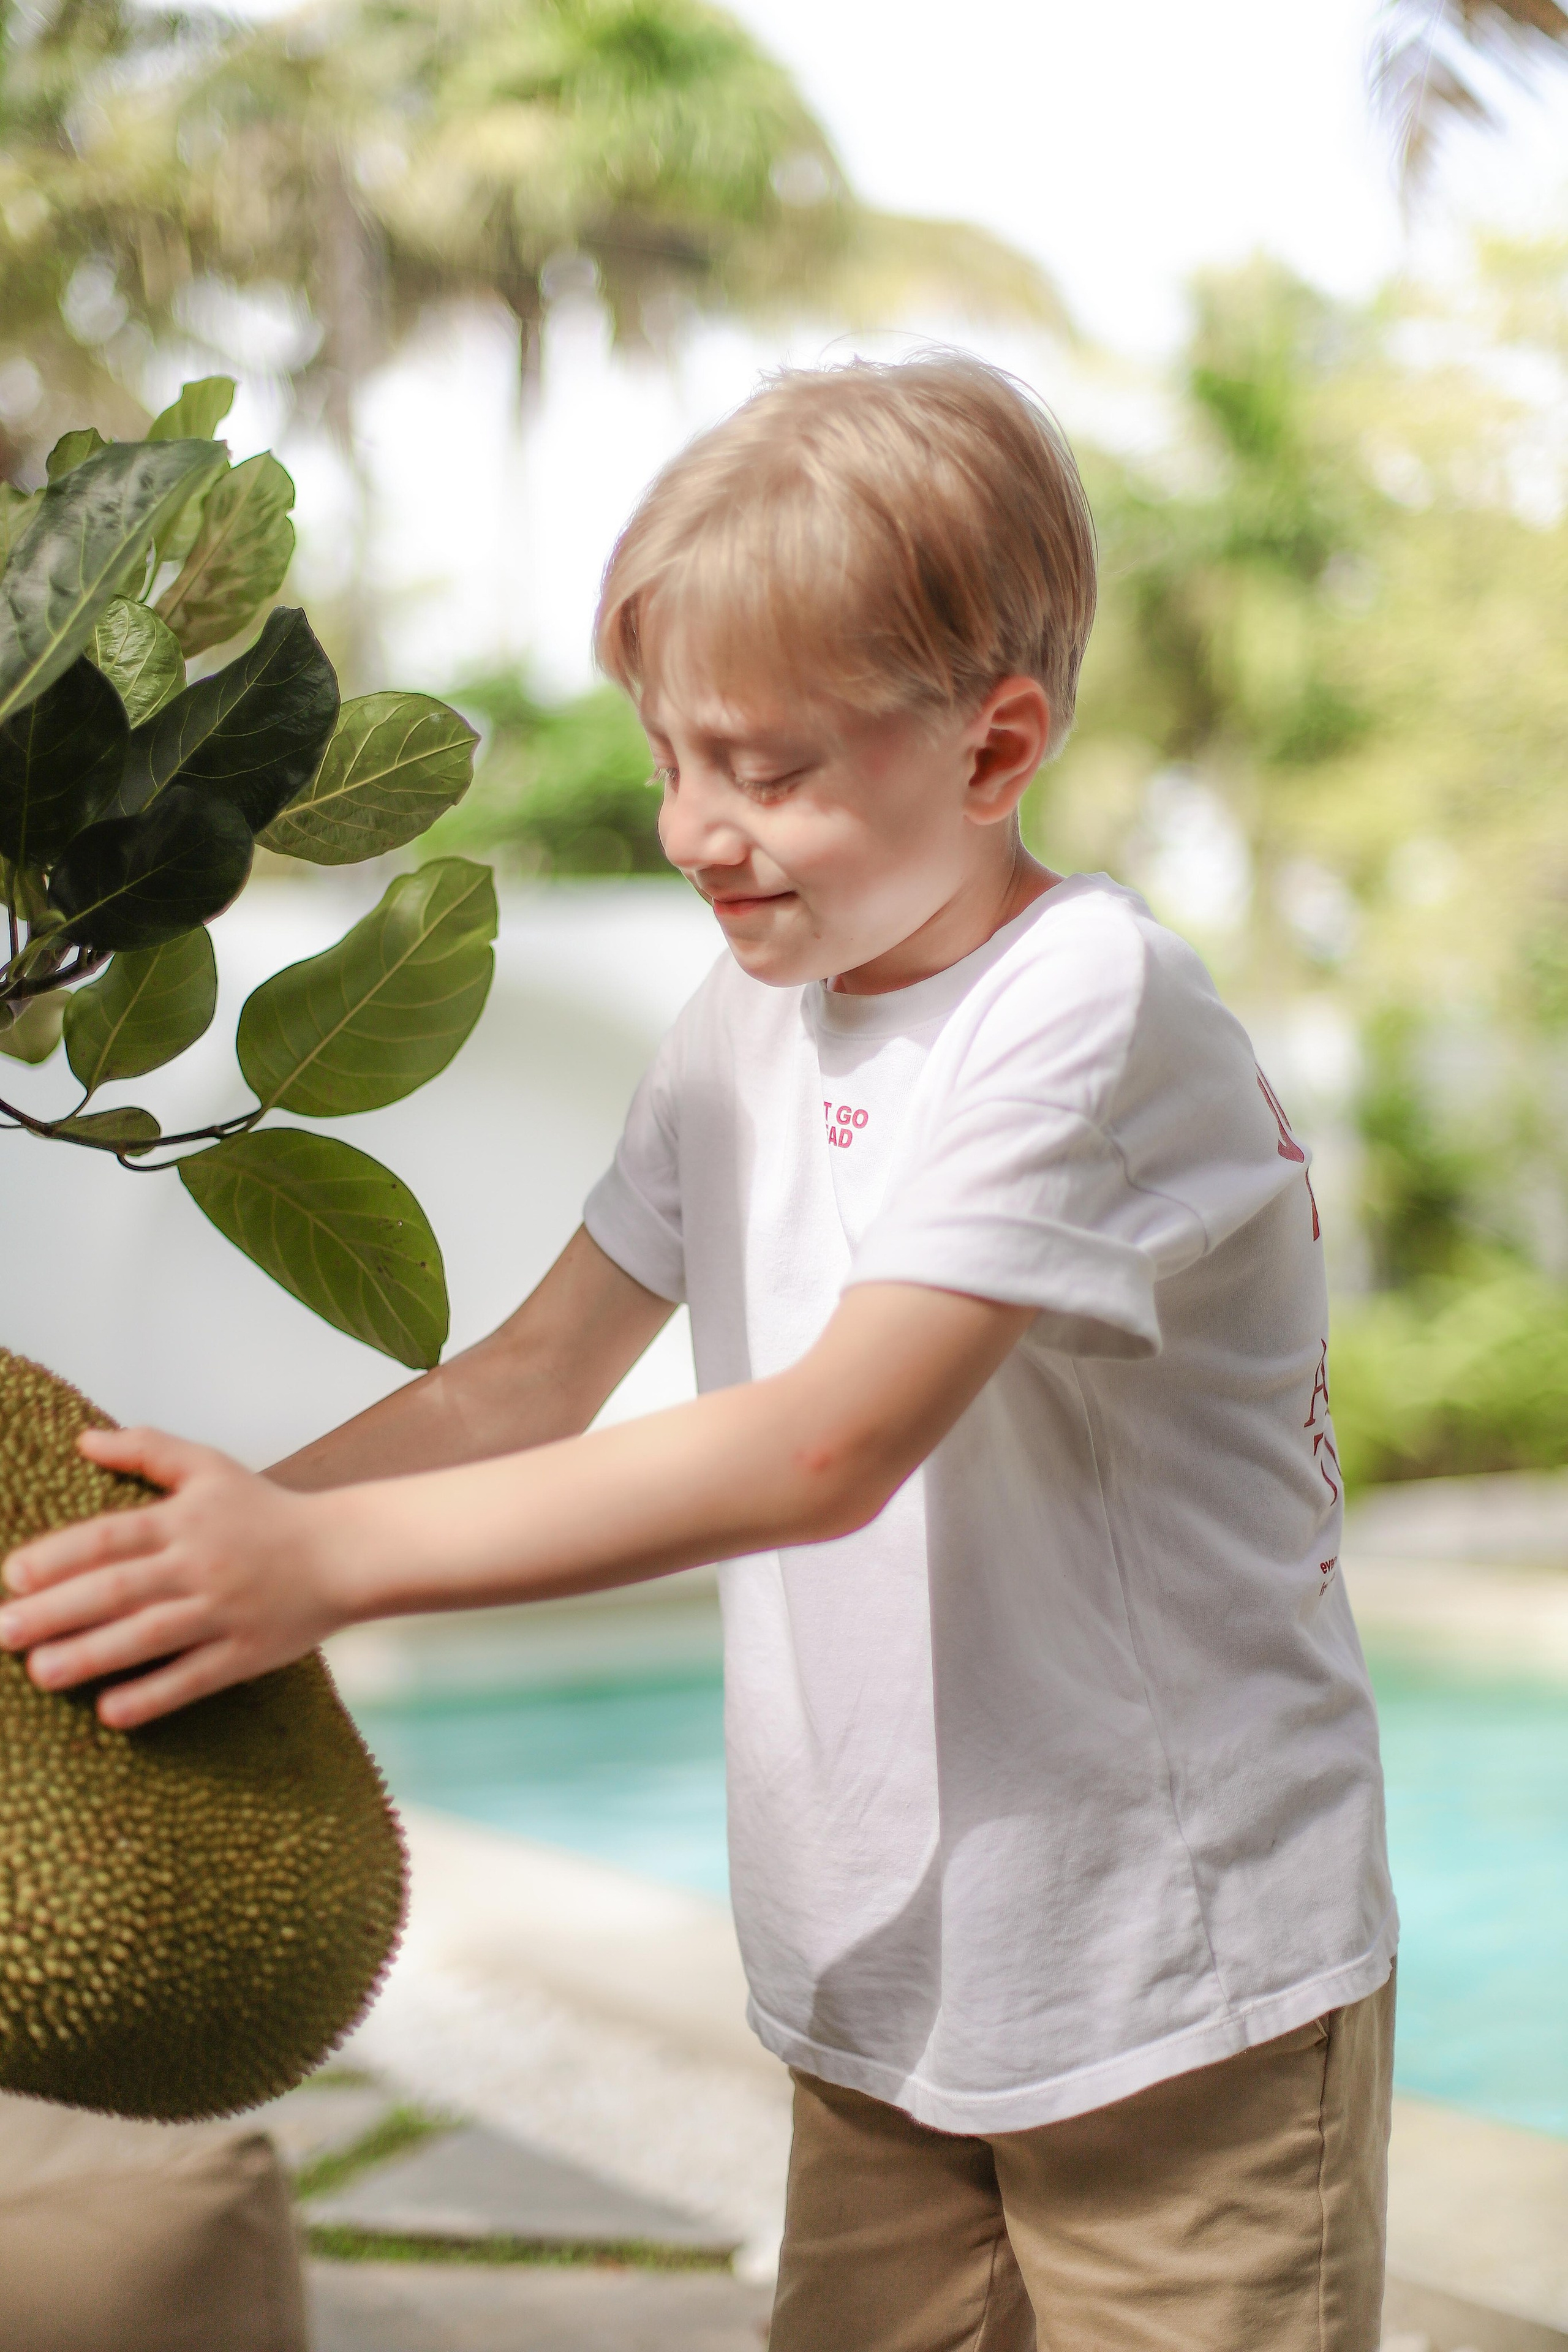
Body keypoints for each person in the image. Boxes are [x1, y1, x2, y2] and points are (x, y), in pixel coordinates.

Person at [0, 356, 1396, 2351]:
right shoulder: (746, 1029)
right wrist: (200, 1551)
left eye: (766, 769)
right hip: (886, 1987)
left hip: (1171, 1996)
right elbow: (522, 1384)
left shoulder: (1088, 1009)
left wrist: (319, 1572)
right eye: (673, 761)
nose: (694, 830)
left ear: (998, 748)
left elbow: (826, 1447)